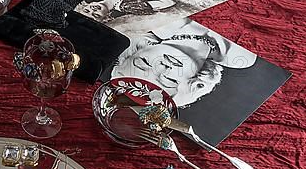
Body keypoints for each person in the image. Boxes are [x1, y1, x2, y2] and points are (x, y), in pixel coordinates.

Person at [111, 18, 258, 106]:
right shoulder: (241, 57)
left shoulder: (154, 20)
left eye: (144, 63)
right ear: (195, 84)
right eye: (168, 80)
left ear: (139, 49)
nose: (161, 67)